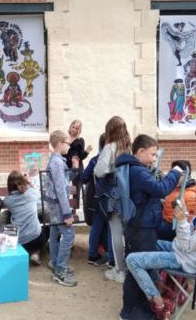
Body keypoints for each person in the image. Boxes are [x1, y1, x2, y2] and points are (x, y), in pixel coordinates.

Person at [126, 179, 196, 320]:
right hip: (184, 251)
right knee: (149, 242)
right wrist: (186, 217)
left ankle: (158, 303)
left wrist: (182, 221)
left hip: (188, 261)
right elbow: (191, 234)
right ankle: (160, 285)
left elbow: (187, 246)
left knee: (132, 260)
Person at [120, 135, 182, 320]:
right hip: (141, 226)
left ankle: (137, 310)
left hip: (142, 224)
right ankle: (134, 312)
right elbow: (160, 189)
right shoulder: (138, 171)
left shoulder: (137, 169)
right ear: (140, 151)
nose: (155, 159)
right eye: (153, 155)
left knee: (140, 266)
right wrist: (175, 173)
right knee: (137, 268)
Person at [94, 116, 132, 283]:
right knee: (128, 232)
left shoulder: (110, 147)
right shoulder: (129, 147)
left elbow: (99, 171)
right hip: (129, 194)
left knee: (116, 232)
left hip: (113, 195)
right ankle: (128, 266)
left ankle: (119, 270)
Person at [45, 130, 79, 287]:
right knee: (68, 235)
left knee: (55, 233)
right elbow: (60, 189)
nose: (69, 145)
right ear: (59, 144)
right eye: (67, 143)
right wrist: (67, 213)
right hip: (59, 205)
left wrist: (74, 169)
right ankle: (60, 269)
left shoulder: (57, 160)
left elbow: (64, 180)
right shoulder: (57, 162)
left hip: (54, 204)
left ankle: (55, 262)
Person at [4, 171, 47, 265]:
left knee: (8, 217)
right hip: (36, 239)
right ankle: (36, 253)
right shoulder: (31, 194)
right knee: (46, 228)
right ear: (23, 181)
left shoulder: (8, 200)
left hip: (19, 241)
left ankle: (23, 252)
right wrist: (29, 181)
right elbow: (38, 193)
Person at [83, 133, 113, 266]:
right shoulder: (115, 160)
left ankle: (94, 254)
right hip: (110, 198)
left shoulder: (95, 160)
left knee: (98, 225)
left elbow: (84, 178)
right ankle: (102, 255)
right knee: (109, 226)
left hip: (97, 198)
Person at [158, 160, 196, 242]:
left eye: (175, 174)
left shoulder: (189, 195)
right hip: (170, 221)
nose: (172, 177)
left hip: (175, 228)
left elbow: (181, 219)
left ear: (184, 175)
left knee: (149, 227)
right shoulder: (182, 187)